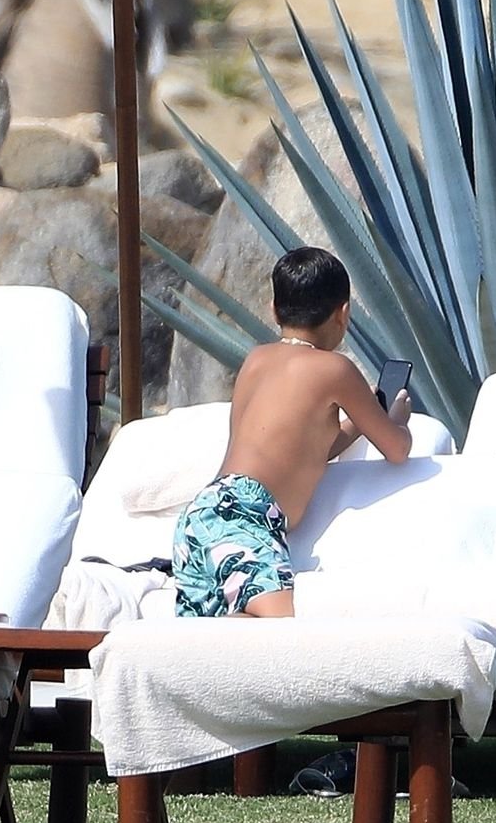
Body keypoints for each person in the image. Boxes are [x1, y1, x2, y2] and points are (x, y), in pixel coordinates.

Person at [172, 247, 413, 617]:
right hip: (248, 515)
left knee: (207, 639)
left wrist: (357, 426)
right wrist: (397, 420)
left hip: (205, 511)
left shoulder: (256, 360)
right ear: (343, 313)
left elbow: (305, 452)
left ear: (274, 309)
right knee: (279, 630)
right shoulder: (335, 369)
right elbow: (397, 451)